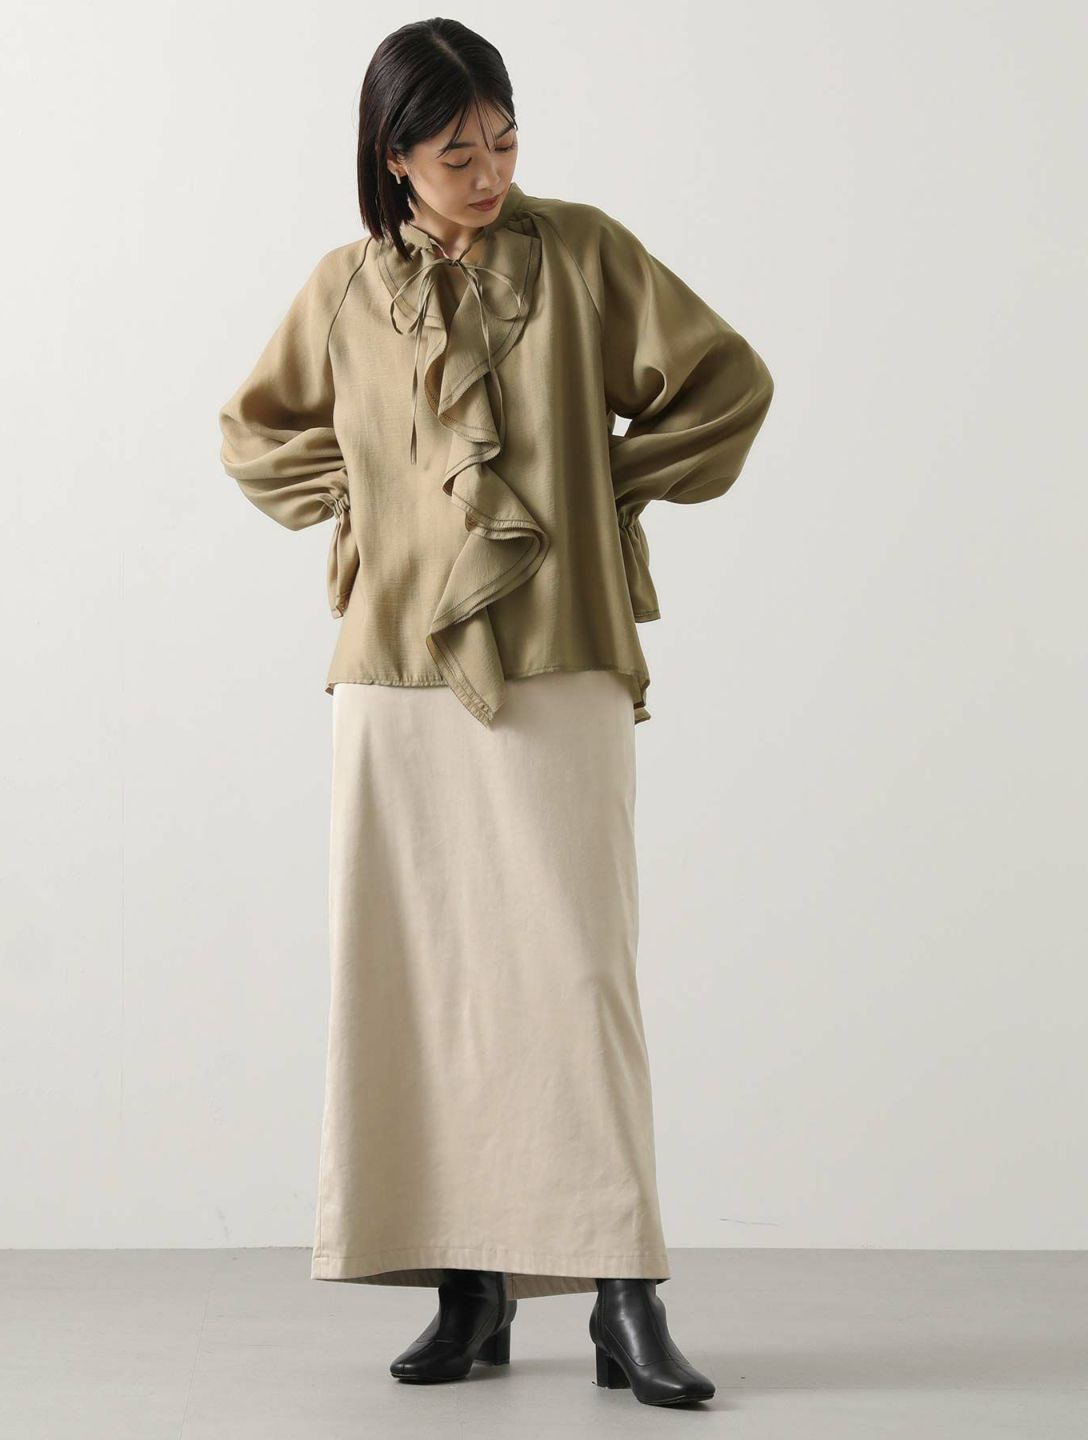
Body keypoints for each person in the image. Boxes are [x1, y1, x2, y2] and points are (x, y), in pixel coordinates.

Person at [217, 17, 774, 1410]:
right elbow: (254, 431)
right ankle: (466, 1287)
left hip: (559, 654)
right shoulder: (345, 288)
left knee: (577, 974)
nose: (490, 171)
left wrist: (599, 493)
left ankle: (625, 1291)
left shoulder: (582, 255)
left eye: (505, 140)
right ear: (393, 158)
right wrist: (363, 502)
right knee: (422, 979)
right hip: (393, 677)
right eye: (457, 151)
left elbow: (728, 382)